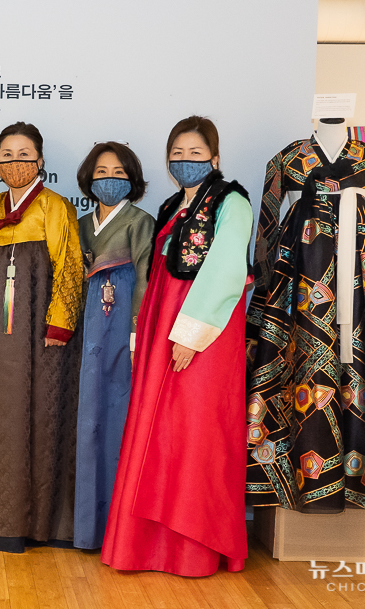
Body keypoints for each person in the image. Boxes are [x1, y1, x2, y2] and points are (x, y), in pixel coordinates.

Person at [101, 116, 251, 576]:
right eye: (178, 154)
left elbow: (226, 270)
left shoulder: (231, 202)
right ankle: (146, 545)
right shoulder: (171, 206)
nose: (186, 161)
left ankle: (193, 547)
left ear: (215, 158)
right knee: (156, 428)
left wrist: (189, 335)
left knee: (195, 429)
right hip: (161, 320)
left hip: (203, 331)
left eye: (196, 153)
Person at [244, 118, 365, 516]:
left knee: (359, 375)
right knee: (300, 372)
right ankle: (298, 482)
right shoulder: (286, 159)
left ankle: (356, 481)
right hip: (298, 281)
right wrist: (265, 283)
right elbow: (267, 227)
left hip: (358, 286)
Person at [0, 122, 84, 553]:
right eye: (7, 155)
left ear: (40, 160)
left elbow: (69, 267)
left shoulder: (55, 207)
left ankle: (37, 523)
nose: (15, 162)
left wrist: (59, 325)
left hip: (37, 335)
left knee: (38, 412)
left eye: (24, 154)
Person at [72, 142, 154, 550]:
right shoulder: (79, 224)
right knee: (85, 421)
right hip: (83, 332)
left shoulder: (141, 222)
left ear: (132, 179)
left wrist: (137, 336)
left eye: (119, 173)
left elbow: (146, 282)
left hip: (121, 330)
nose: (109, 179)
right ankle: (85, 527)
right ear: (89, 178)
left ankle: (116, 529)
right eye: (101, 172)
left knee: (116, 419)